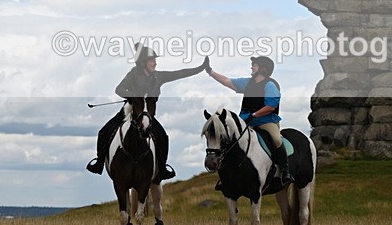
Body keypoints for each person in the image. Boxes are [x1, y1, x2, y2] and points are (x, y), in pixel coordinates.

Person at [86, 45, 209, 179]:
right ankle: (99, 163)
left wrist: (200, 68)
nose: (155, 63)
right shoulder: (133, 74)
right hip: (131, 112)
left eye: (154, 60)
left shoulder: (159, 76)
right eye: (151, 60)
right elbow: (119, 89)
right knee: (103, 131)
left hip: (148, 115)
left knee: (163, 136)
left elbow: (179, 73)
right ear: (142, 63)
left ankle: (162, 168)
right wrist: (134, 96)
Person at [207, 56, 294, 187]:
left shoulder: (270, 85)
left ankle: (285, 172)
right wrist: (210, 72)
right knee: (230, 141)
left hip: (266, 122)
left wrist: (254, 115)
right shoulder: (248, 83)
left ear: (263, 69)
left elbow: (271, 106)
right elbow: (227, 81)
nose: (252, 67)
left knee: (276, 139)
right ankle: (225, 176)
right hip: (247, 121)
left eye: (255, 65)